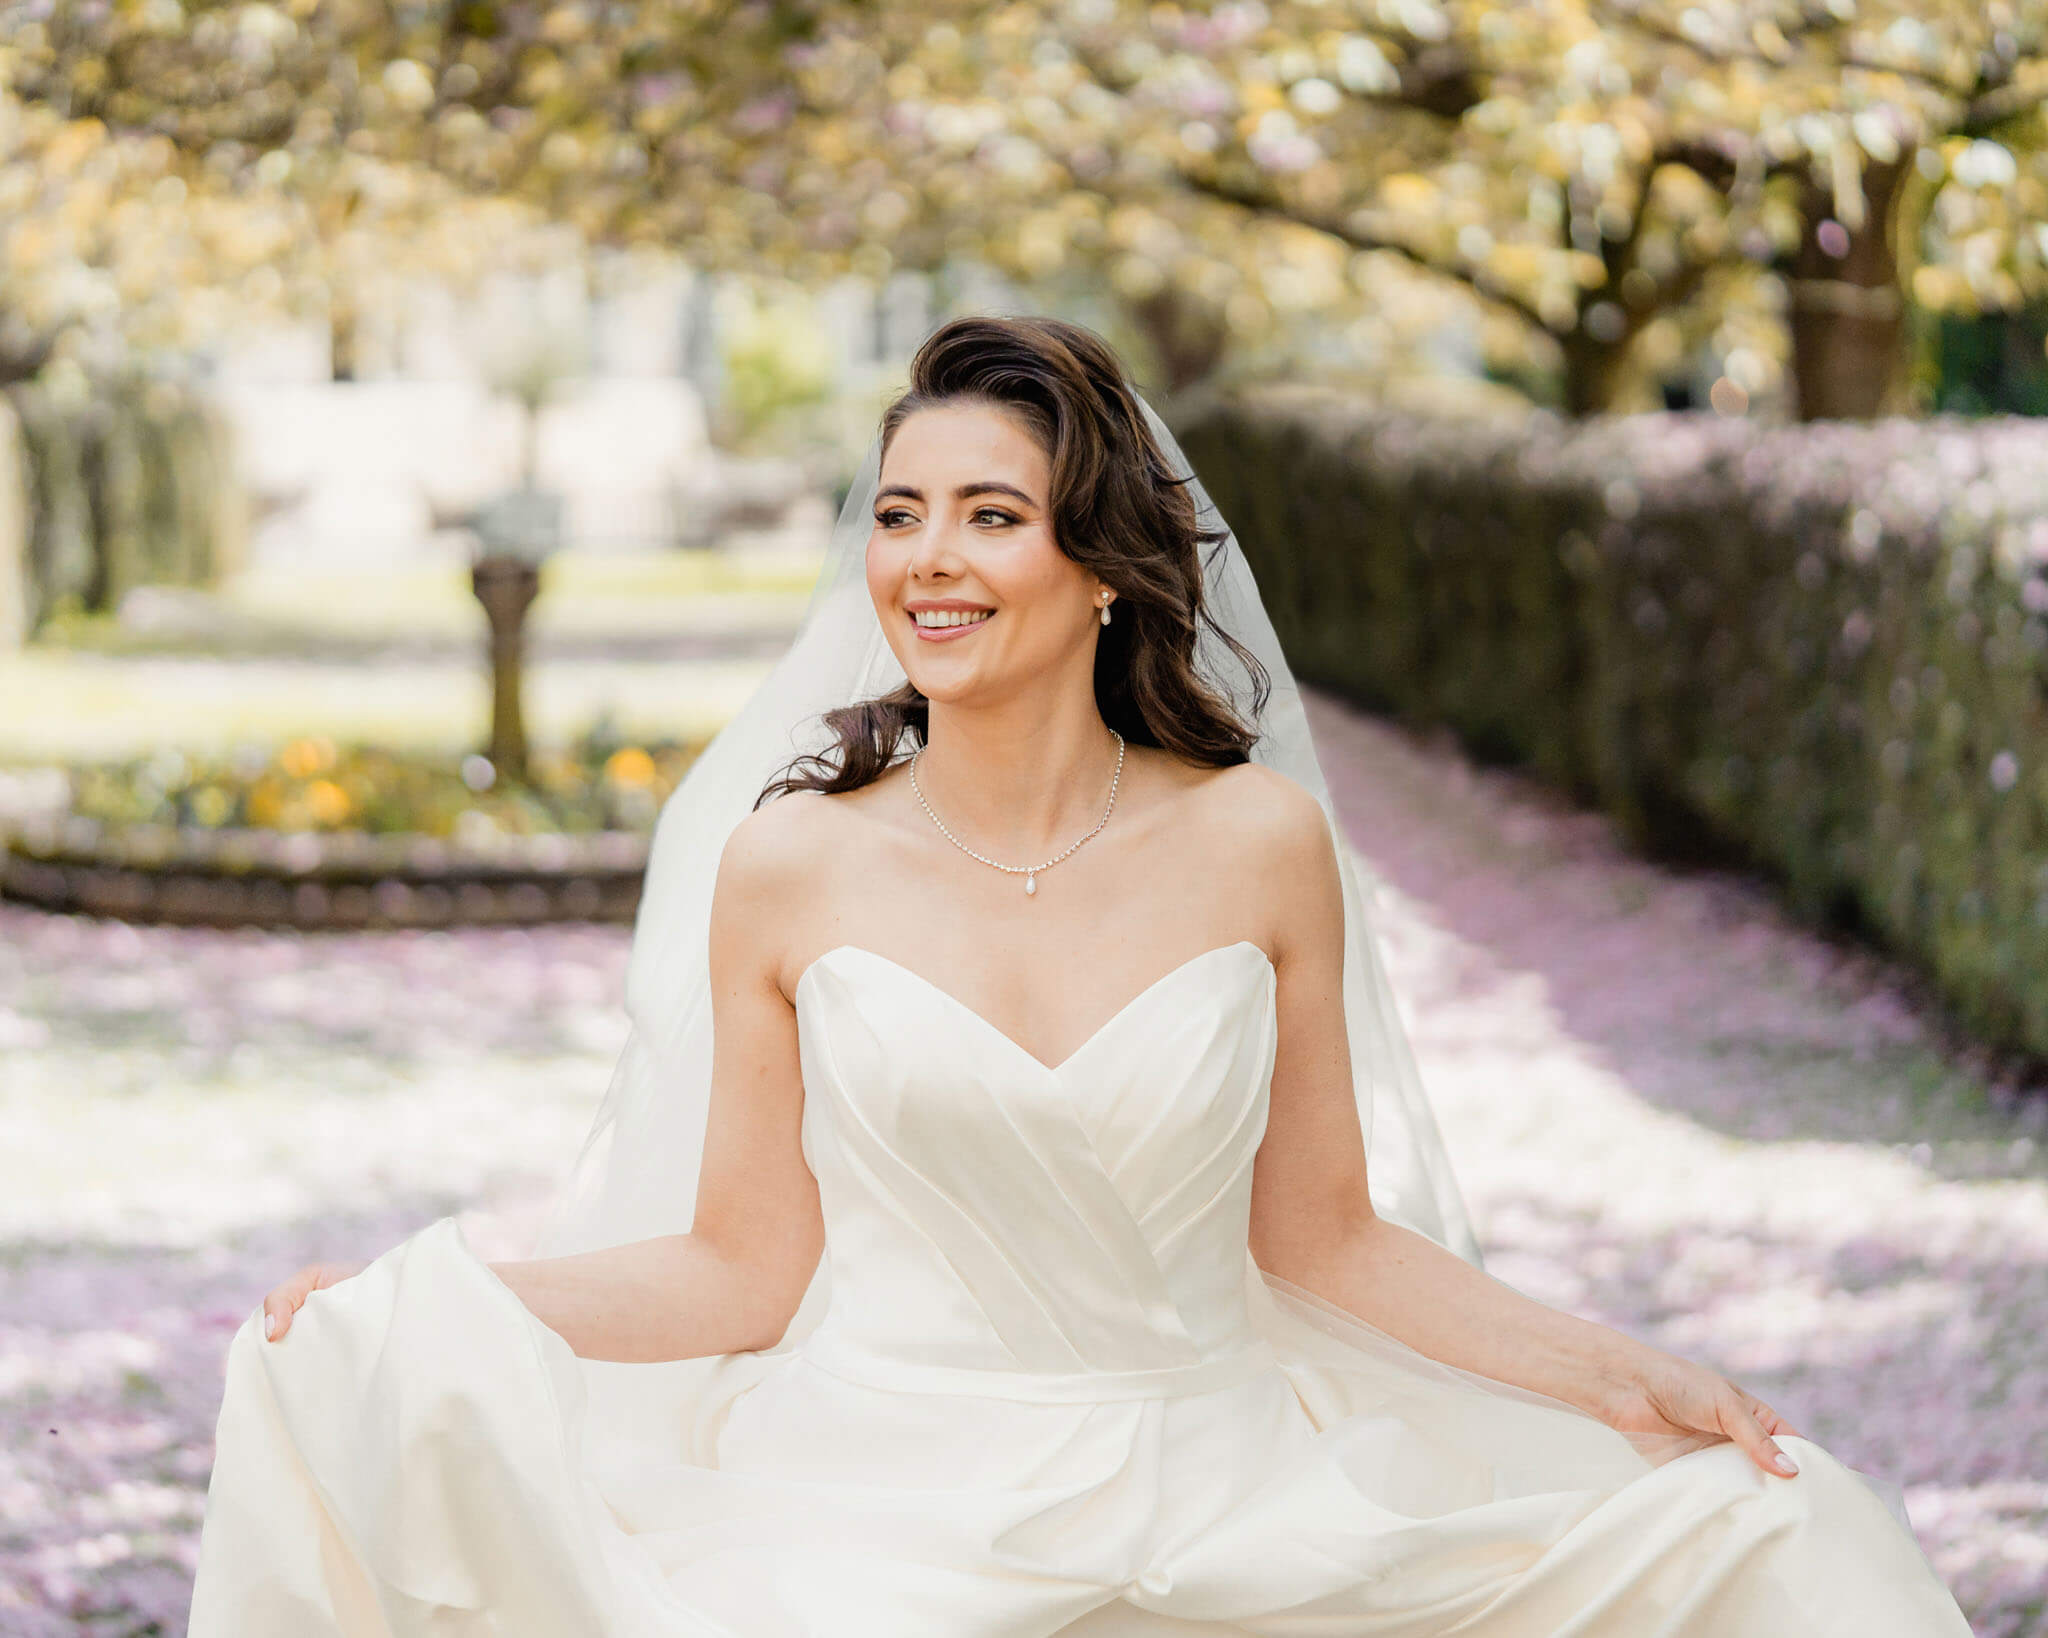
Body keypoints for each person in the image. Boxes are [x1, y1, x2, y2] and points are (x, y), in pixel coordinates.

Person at [188, 315, 1974, 1635]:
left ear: (1103, 566)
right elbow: (744, 1263)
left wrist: (1617, 1373)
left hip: (1224, 1485)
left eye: (988, 515)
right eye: (897, 515)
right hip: (873, 1501)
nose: (928, 561)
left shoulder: (1257, 842)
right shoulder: (792, 860)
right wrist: (445, 1298)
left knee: (1787, 1551)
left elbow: (1324, 1237)